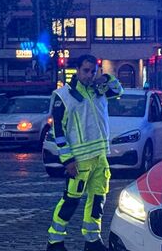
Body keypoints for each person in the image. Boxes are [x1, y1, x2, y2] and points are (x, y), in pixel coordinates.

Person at [46, 54, 123, 251]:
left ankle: (92, 241)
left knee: (97, 200)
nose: (90, 75)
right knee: (70, 201)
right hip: (79, 160)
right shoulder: (64, 96)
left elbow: (118, 89)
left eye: (93, 71)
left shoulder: (99, 90)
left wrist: (104, 78)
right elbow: (59, 131)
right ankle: (54, 242)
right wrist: (67, 160)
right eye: (86, 71)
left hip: (99, 156)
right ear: (78, 71)